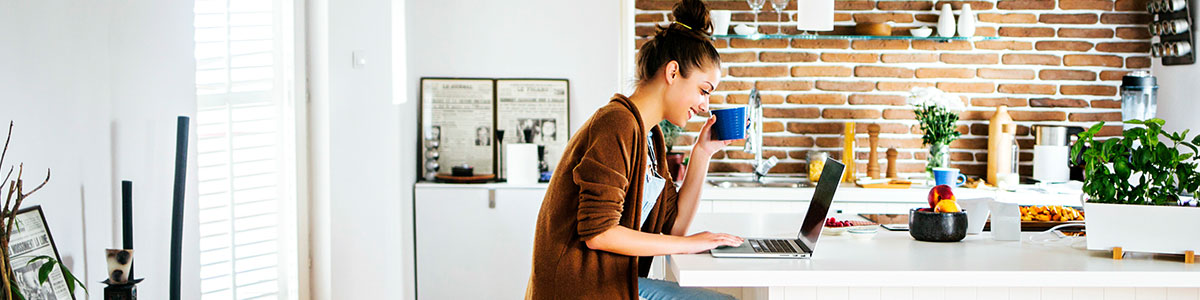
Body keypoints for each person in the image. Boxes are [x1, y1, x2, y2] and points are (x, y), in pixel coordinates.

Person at [526, 0, 742, 299]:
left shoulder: (650, 136)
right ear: (673, 72)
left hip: (610, 283)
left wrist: (702, 152)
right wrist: (692, 243)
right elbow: (600, 233)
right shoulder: (616, 123)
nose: (706, 106)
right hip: (579, 289)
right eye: (704, 90)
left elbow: (675, 227)